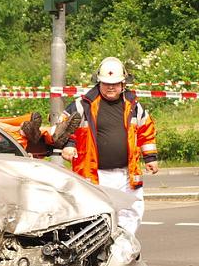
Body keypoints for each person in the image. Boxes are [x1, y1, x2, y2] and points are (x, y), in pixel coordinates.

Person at [60, 57, 158, 234]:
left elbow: (146, 131)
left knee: (131, 213)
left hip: (127, 174)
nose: (110, 87)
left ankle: (124, 250)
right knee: (95, 216)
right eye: (106, 83)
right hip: (94, 174)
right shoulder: (83, 105)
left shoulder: (134, 106)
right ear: (99, 82)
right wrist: (68, 144)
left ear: (123, 84)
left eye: (115, 83)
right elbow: (63, 127)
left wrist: (150, 157)